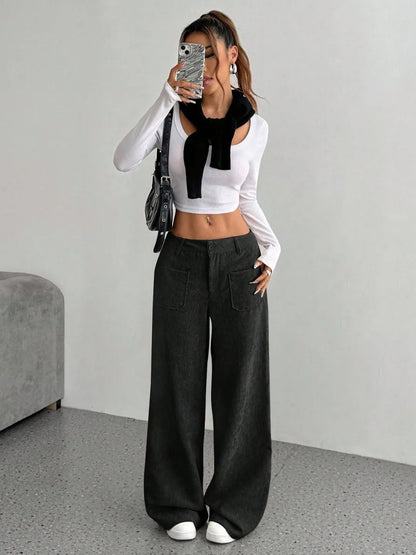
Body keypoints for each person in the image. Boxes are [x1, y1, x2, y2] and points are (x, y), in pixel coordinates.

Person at [113, 10, 281, 544]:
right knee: (176, 381)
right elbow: (122, 160)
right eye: (190, 52)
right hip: (181, 259)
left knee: (241, 385)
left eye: (209, 52)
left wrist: (274, 250)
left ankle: (233, 505)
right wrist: (166, 96)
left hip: (238, 260)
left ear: (232, 55)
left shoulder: (256, 127)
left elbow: (247, 197)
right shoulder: (171, 116)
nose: (201, 63)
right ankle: (176, 502)